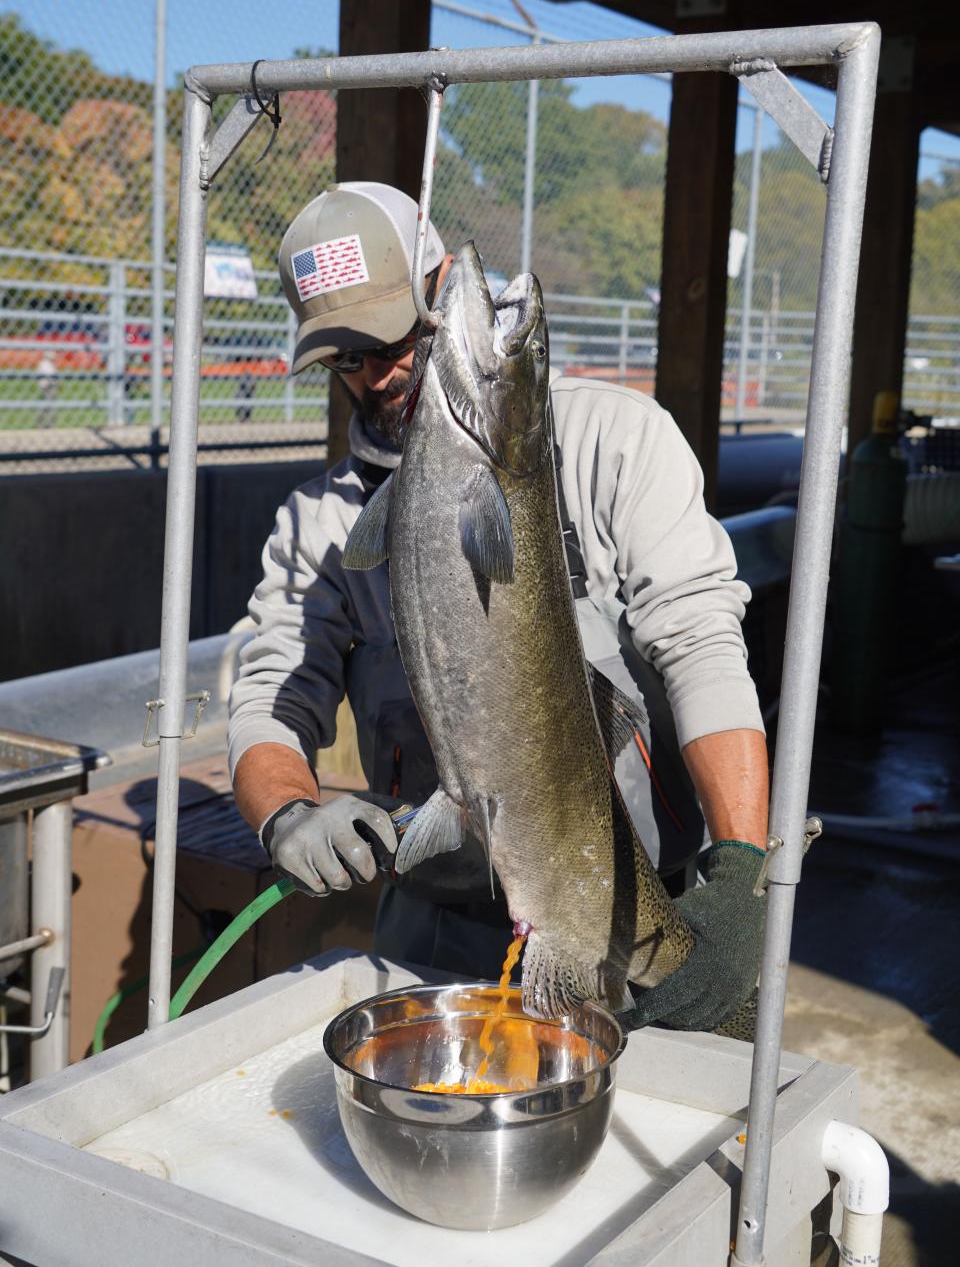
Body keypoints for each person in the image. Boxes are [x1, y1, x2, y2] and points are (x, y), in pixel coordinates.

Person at [228, 180, 770, 1034]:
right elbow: (269, 695)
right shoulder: (320, 522)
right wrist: (286, 811)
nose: (377, 375)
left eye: (390, 340)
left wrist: (741, 868)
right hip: (433, 916)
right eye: (345, 360)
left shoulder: (617, 441)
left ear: (440, 291)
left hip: (633, 899)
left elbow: (701, 641)